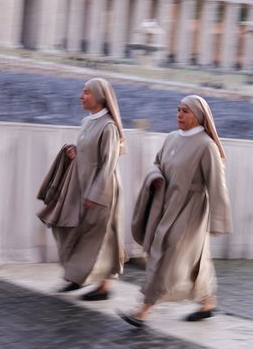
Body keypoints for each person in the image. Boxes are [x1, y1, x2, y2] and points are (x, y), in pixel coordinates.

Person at [121, 95, 232, 327]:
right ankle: (207, 301)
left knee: (167, 254)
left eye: (185, 111)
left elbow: (216, 184)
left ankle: (143, 309)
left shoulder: (206, 146)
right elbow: (157, 164)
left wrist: (217, 222)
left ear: (199, 116)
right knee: (192, 259)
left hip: (190, 212)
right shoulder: (171, 138)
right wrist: (156, 177)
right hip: (166, 206)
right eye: (178, 109)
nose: (179, 114)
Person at [37, 77, 126, 301]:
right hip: (82, 190)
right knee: (73, 231)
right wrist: (76, 151)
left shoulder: (109, 127)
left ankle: (104, 286)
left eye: (86, 92)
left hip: (102, 192)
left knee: (101, 239)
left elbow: (108, 163)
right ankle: (77, 277)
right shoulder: (88, 122)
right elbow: (91, 153)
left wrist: (95, 194)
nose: (81, 96)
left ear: (99, 97)